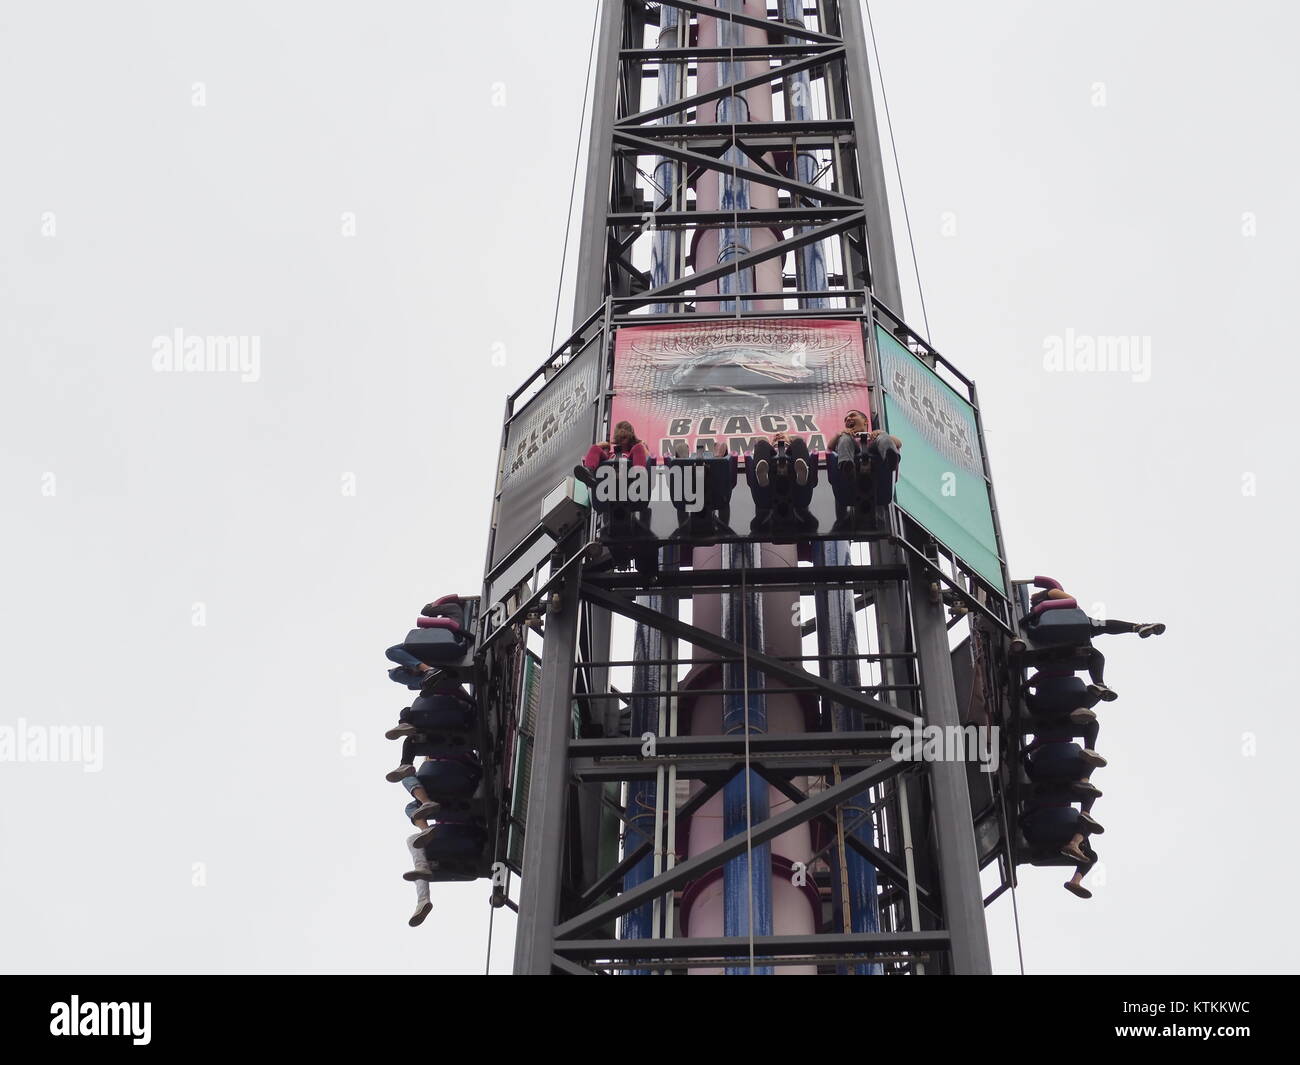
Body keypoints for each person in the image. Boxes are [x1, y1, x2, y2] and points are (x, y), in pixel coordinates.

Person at [1027, 577, 1166, 701]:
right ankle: (1137, 627)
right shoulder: (1044, 601)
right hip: (1061, 626)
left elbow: (1071, 604)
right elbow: (1073, 603)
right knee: (1098, 635)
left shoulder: (1042, 601)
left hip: (1059, 629)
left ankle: (1099, 685)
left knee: (1097, 649)